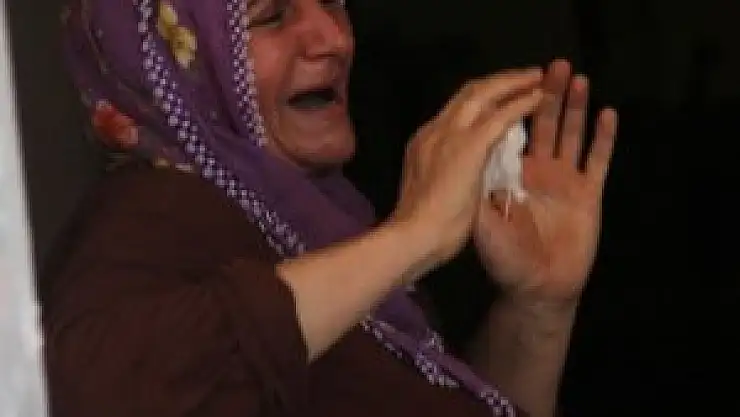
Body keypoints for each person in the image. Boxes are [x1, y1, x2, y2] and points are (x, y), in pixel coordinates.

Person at [41, 0, 617, 416]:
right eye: (272, 15)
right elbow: (85, 391)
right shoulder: (153, 213)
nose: (335, 39)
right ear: (176, 60)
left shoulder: (316, 223)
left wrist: (539, 307)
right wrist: (411, 238)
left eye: (333, 2)